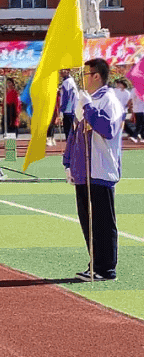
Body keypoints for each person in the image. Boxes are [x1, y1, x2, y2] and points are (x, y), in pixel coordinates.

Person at [64, 58, 123, 281]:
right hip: (83, 172)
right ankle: (95, 264)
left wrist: (88, 106)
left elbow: (107, 129)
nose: (83, 80)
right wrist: (67, 161)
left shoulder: (109, 100)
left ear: (96, 76)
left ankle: (106, 268)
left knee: (103, 222)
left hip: (100, 170)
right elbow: (75, 132)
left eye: (86, 75)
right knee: (88, 221)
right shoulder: (87, 99)